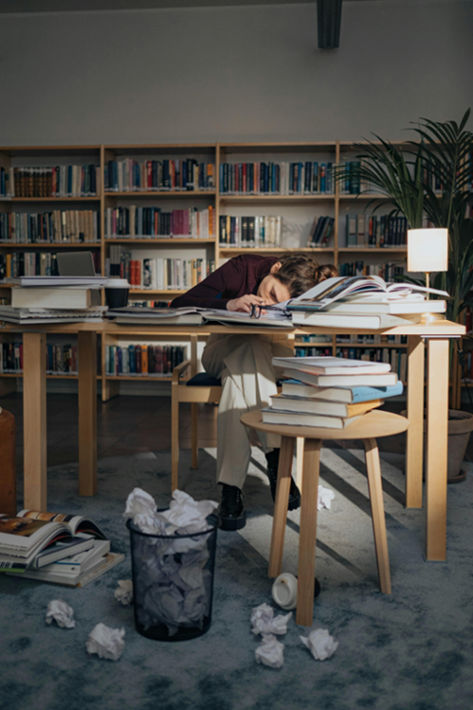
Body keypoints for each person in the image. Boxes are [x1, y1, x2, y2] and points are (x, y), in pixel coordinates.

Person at [171, 253, 337, 530]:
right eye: (271, 293)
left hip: (275, 355)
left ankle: (230, 489)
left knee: (240, 376)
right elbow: (179, 304)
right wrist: (229, 303)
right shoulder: (240, 268)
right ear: (275, 268)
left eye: (279, 303)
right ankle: (278, 465)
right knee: (248, 353)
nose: (270, 305)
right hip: (221, 351)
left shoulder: (306, 291)